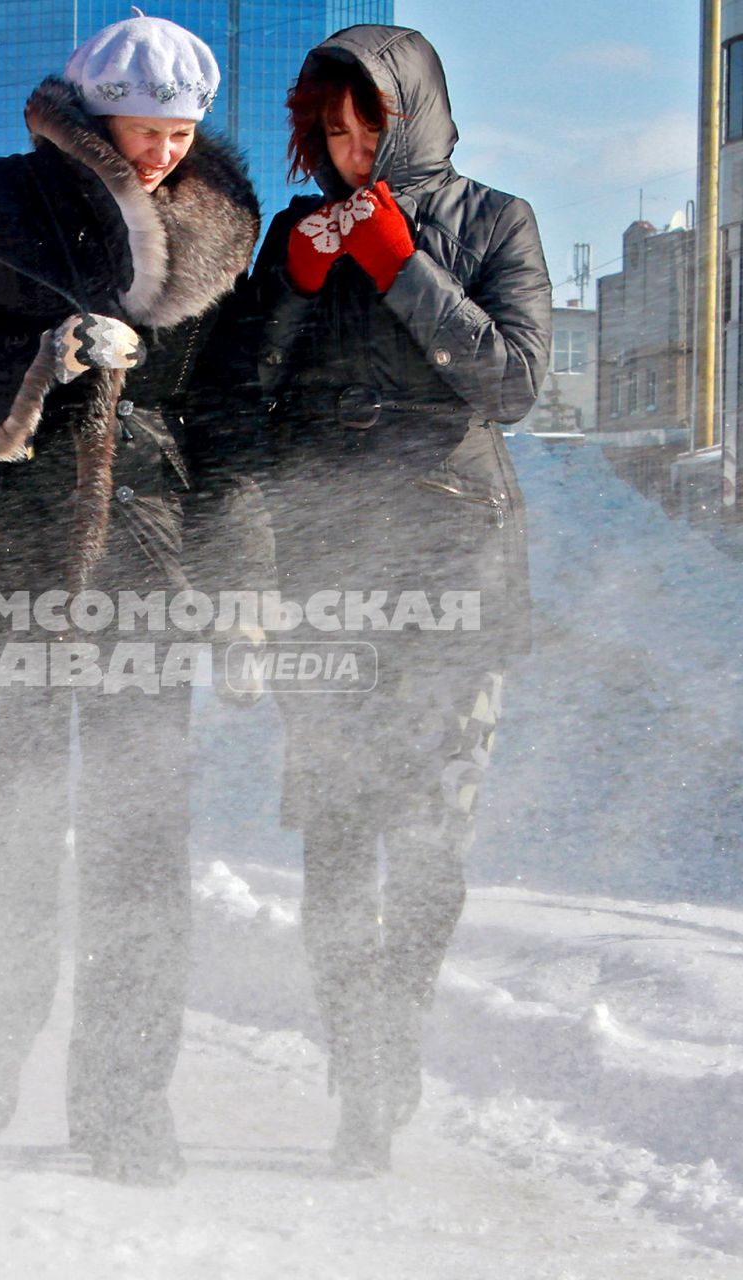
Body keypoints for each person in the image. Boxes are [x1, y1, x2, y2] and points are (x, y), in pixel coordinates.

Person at [0, 12, 263, 1185]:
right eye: (142, 132)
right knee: (11, 825)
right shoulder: (2, 198)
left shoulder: (224, 229)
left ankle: (128, 1104)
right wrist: (45, 352)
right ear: (91, 119)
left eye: (180, 134)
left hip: (145, 563)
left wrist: (238, 579)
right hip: (5, 563)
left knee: (142, 845)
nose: (162, 156)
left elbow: (228, 421)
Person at [246, 25, 550, 1175]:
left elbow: (513, 382)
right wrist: (298, 285)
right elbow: (239, 385)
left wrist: (399, 266)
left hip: (453, 566)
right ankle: (353, 1056)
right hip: (324, 569)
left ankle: (391, 1039)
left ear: (408, 109)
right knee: (335, 833)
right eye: (323, 129)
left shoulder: (495, 221)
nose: (341, 148)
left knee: (428, 838)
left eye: (360, 122)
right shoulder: (291, 233)